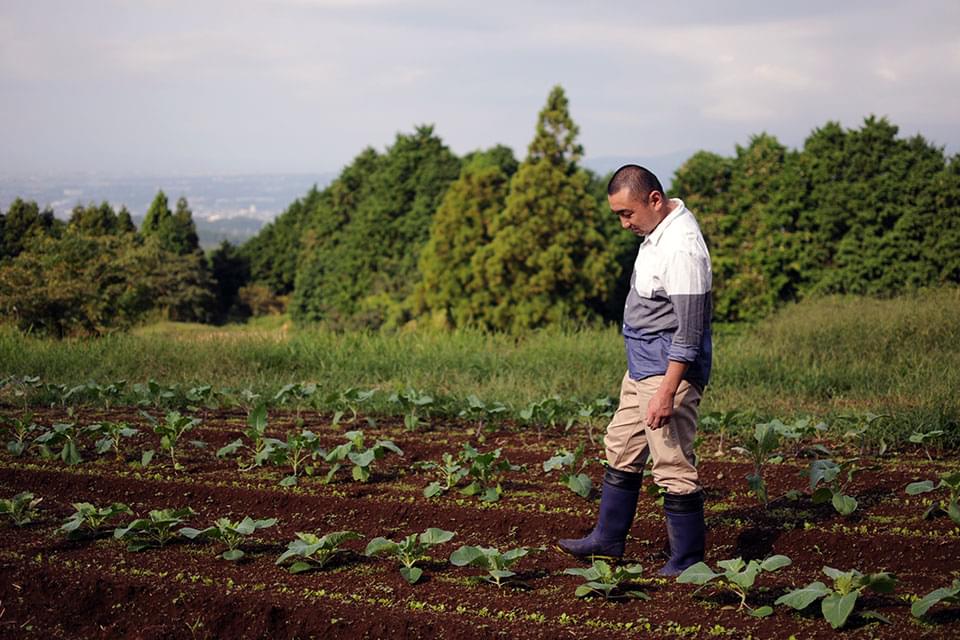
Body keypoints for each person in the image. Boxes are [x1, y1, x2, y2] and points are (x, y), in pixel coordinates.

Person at [558, 164, 712, 576]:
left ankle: (687, 561)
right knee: (621, 445)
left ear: (654, 200)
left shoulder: (681, 247)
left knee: (671, 462)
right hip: (643, 365)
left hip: (667, 371)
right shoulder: (655, 230)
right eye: (618, 216)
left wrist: (666, 391)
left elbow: (690, 331)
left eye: (627, 214)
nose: (624, 223)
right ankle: (607, 540)